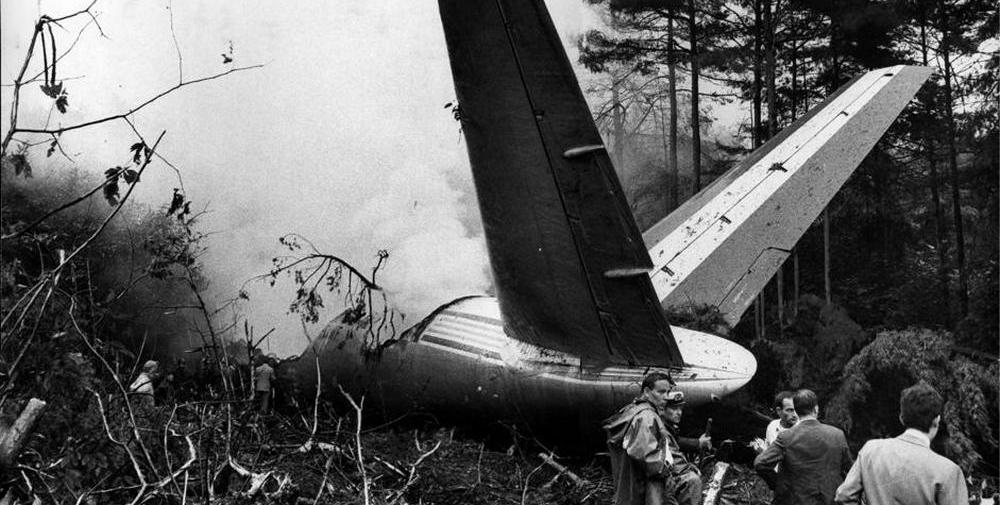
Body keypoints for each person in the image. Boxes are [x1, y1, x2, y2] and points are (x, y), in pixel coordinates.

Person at [835, 382, 969, 505]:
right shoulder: (948, 471)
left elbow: (844, 496)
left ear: (901, 418)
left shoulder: (871, 450)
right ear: (937, 421)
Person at [754, 389, 852, 505]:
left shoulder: (786, 437)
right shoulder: (837, 435)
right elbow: (850, 470)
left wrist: (778, 485)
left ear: (797, 411)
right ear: (816, 409)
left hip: (794, 500)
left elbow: (760, 463)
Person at [603, 371, 676, 505]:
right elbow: (645, 456)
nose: (666, 397)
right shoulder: (646, 416)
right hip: (642, 490)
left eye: (667, 392)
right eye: (661, 392)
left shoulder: (632, 410)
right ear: (647, 391)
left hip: (629, 488)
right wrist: (667, 469)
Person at [661, 390, 711, 505]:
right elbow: (673, 461)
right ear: (663, 409)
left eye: (680, 409)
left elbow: (676, 441)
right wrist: (689, 468)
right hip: (665, 478)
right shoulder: (661, 430)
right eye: (674, 409)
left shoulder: (668, 427)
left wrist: (698, 443)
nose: (679, 413)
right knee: (693, 480)